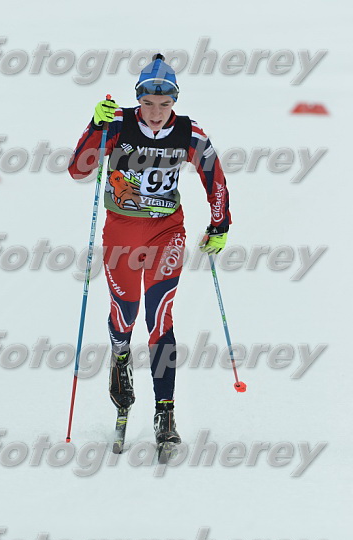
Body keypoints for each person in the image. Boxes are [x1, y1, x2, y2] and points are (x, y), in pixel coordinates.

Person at [68, 53, 231, 445]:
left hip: (166, 232)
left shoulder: (190, 132)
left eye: (165, 103)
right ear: (137, 99)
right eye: (148, 103)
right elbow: (78, 169)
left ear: (175, 101)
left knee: (159, 319)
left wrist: (219, 223)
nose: (156, 113)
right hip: (122, 232)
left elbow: (215, 178)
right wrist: (95, 126)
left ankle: (165, 412)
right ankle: (120, 355)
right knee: (125, 316)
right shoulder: (117, 124)